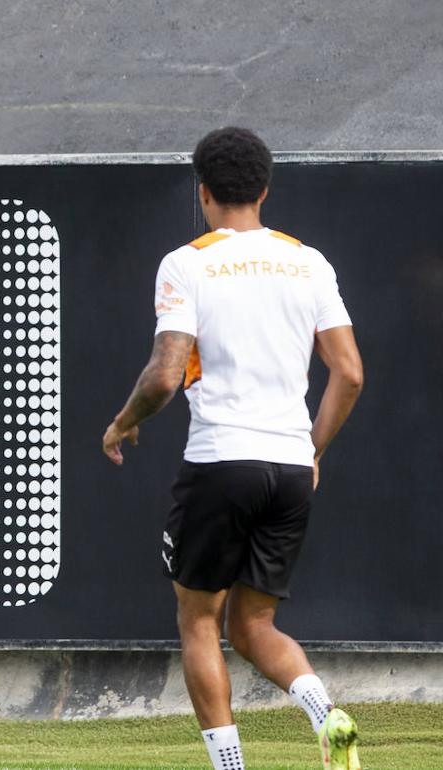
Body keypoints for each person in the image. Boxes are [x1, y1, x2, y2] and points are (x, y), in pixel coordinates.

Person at [102, 127, 364, 770]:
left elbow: (165, 374)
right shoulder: (310, 260)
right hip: (288, 467)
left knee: (200, 625)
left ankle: (230, 767)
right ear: (264, 189)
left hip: (222, 461)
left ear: (204, 192)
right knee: (255, 627)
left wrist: (121, 421)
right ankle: (326, 715)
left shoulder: (187, 261)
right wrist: (311, 450)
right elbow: (349, 372)